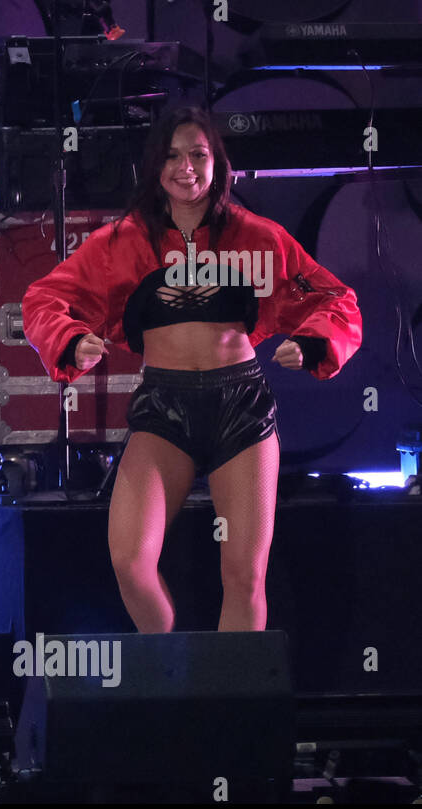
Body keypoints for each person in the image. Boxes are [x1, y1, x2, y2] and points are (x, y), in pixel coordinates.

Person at [22, 106, 361, 633]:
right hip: (165, 407)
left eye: (199, 155)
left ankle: (231, 708)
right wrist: (71, 339)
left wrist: (314, 341)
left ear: (217, 164)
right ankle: (176, 687)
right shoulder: (121, 243)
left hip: (240, 408)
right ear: (156, 165)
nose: (187, 167)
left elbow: (335, 299)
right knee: (131, 563)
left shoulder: (258, 236)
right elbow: (46, 297)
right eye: (174, 156)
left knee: (244, 575)